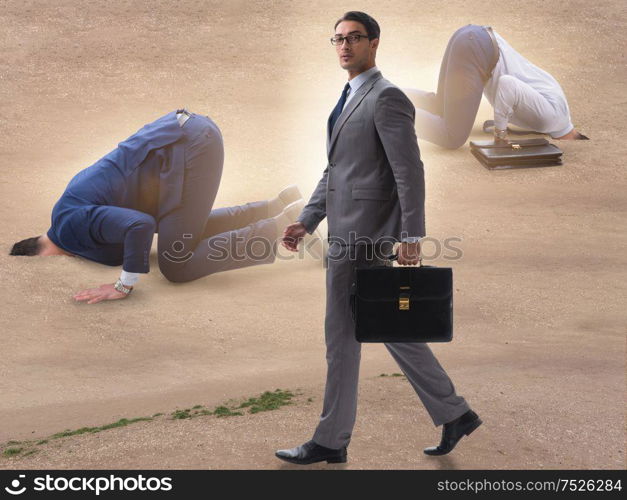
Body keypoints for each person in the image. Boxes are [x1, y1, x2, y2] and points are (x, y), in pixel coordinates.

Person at [276, 12, 481, 465]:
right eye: (338, 39)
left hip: (363, 236)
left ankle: (331, 440)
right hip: (344, 230)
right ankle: (454, 412)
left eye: (354, 38)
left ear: (374, 43)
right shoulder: (349, 94)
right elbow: (337, 170)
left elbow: (409, 171)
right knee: (383, 325)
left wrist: (411, 235)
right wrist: (308, 220)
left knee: (342, 336)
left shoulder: (386, 97)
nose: (344, 46)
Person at [10, 110, 320, 303]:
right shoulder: (66, 214)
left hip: (187, 148)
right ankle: (275, 207)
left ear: (42, 254)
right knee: (180, 234)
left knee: (176, 263)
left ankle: (281, 223)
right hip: (183, 140)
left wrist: (124, 285)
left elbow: (139, 226)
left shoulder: (72, 227)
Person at [403, 24, 588, 149]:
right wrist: (501, 135)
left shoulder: (559, 111)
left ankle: (383, 92)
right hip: (476, 51)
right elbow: (507, 84)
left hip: (472, 38)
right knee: (453, 136)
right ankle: (387, 111)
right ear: (573, 138)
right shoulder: (551, 120)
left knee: (440, 108)